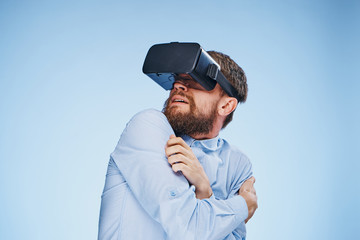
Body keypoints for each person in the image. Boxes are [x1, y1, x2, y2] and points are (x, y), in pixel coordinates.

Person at [98, 49, 258, 240]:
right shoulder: (148, 127)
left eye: (195, 79)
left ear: (225, 106)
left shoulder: (237, 164)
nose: (178, 86)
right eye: (177, 79)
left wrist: (205, 192)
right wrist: (243, 206)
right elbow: (188, 230)